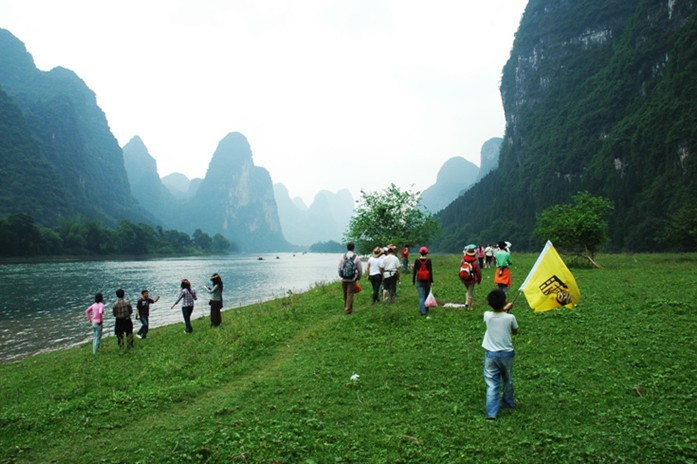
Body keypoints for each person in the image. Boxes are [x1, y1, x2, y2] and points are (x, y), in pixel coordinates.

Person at [482, 289, 517, 420]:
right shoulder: (510, 318)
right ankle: (508, 403)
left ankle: (491, 413)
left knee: (492, 382)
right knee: (507, 379)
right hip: (507, 354)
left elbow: (496, 315)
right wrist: (507, 309)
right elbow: (515, 331)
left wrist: (505, 309)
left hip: (491, 354)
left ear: (489, 304)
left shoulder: (487, 315)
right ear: (505, 302)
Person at [338, 242, 363, 314]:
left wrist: (341, 275)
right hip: (352, 279)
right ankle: (348, 309)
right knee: (350, 294)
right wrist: (358, 277)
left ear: (347, 247)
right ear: (353, 248)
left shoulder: (343, 257)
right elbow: (360, 269)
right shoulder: (356, 257)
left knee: (345, 293)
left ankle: (347, 307)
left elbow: (339, 268)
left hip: (344, 278)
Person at [412, 246, 434, 318]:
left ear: (420, 252)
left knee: (421, 297)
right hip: (427, 280)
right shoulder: (429, 260)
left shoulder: (417, 260)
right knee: (427, 295)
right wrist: (431, 281)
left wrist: (413, 280)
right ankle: (426, 309)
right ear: (427, 253)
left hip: (419, 280)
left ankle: (422, 311)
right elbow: (430, 271)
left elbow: (415, 271)